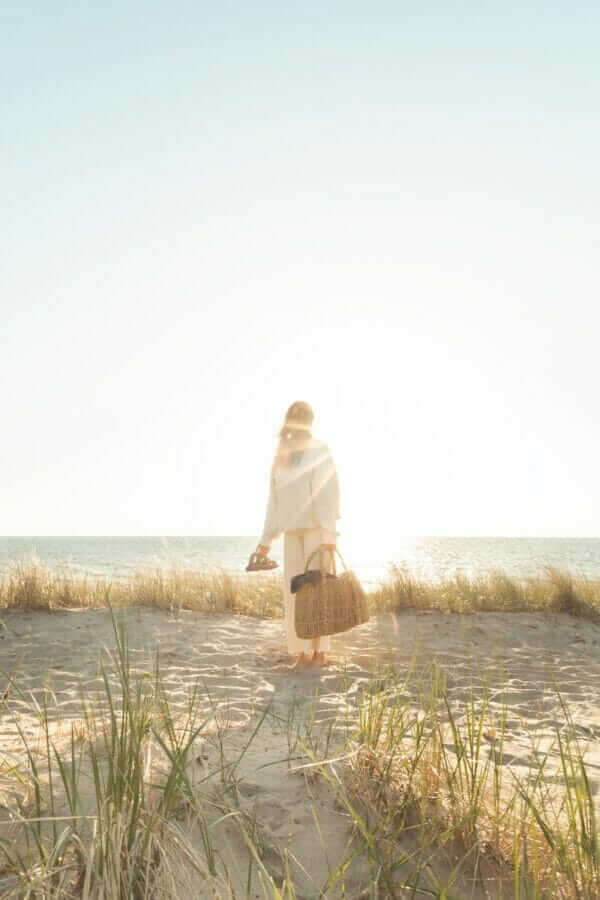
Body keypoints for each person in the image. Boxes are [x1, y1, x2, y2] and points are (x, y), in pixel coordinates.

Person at [256, 401, 340, 667]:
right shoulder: (280, 456)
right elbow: (274, 502)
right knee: (295, 596)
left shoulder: (319, 450)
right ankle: (302, 652)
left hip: (317, 531)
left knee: (319, 593)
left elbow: (328, 493)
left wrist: (329, 535)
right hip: (292, 533)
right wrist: (265, 542)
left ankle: (320, 652)